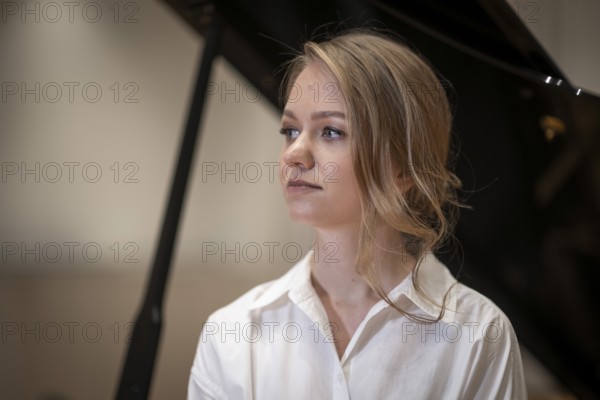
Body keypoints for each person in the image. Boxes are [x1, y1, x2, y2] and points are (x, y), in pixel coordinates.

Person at [188, 30, 527, 399]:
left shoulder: (478, 335)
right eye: (290, 130)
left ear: (403, 169)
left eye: (331, 131)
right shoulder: (233, 332)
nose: (294, 154)